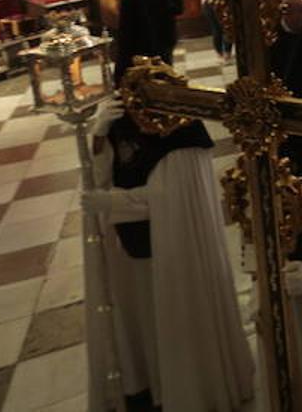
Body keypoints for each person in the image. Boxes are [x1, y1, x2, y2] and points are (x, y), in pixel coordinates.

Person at [84, 103, 254, 411]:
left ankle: (175, 386)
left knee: (168, 313)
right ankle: (148, 383)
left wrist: (112, 201)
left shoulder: (182, 131)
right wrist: (98, 136)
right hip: (128, 244)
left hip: (172, 246)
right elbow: (102, 175)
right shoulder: (117, 116)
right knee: (141, 315)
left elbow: (170, 198)